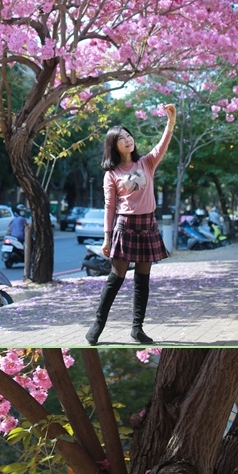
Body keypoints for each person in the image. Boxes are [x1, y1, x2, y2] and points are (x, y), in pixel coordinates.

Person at [86, 105, 176, 345]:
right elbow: (110, 207)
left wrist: (171, 121)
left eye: (129, 136)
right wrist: (106, 237)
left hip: (148, 225)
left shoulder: (147, 162)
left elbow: (163, 144)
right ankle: (98, 325)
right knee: (116, 278)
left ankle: (137, 329)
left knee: (142, 280)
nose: (128, 140)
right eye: (122, 138)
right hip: (125, 226)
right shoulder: (112, 173)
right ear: (113, 145)